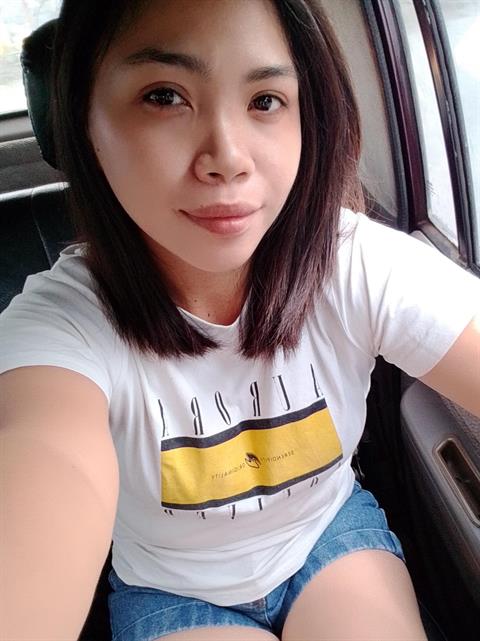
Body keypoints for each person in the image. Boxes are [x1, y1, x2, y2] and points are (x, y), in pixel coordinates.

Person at [1, 1, 479, 639]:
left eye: (265, 101)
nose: (227, 157)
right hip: (169, 587)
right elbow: (46, 458)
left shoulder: (352, 262)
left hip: (326, 535)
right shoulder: (60, 326)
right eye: (165, 96)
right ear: (85, 122)